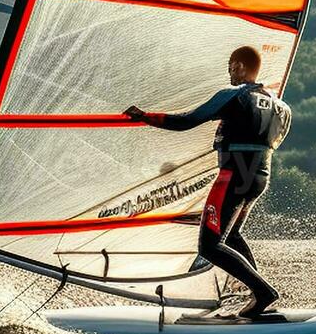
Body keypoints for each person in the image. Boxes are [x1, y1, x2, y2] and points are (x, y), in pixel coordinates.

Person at [124, 45, 292, 318]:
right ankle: (259, 294)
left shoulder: (233, 96)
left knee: (209, 246)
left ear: (239, 66)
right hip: (259, 179)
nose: (229, 71)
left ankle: (263, 292)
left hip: (232, 176)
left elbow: (187, 121)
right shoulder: (280, 105)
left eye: (230, 65)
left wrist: (145, 116)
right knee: (231, 235)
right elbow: (274, 140)